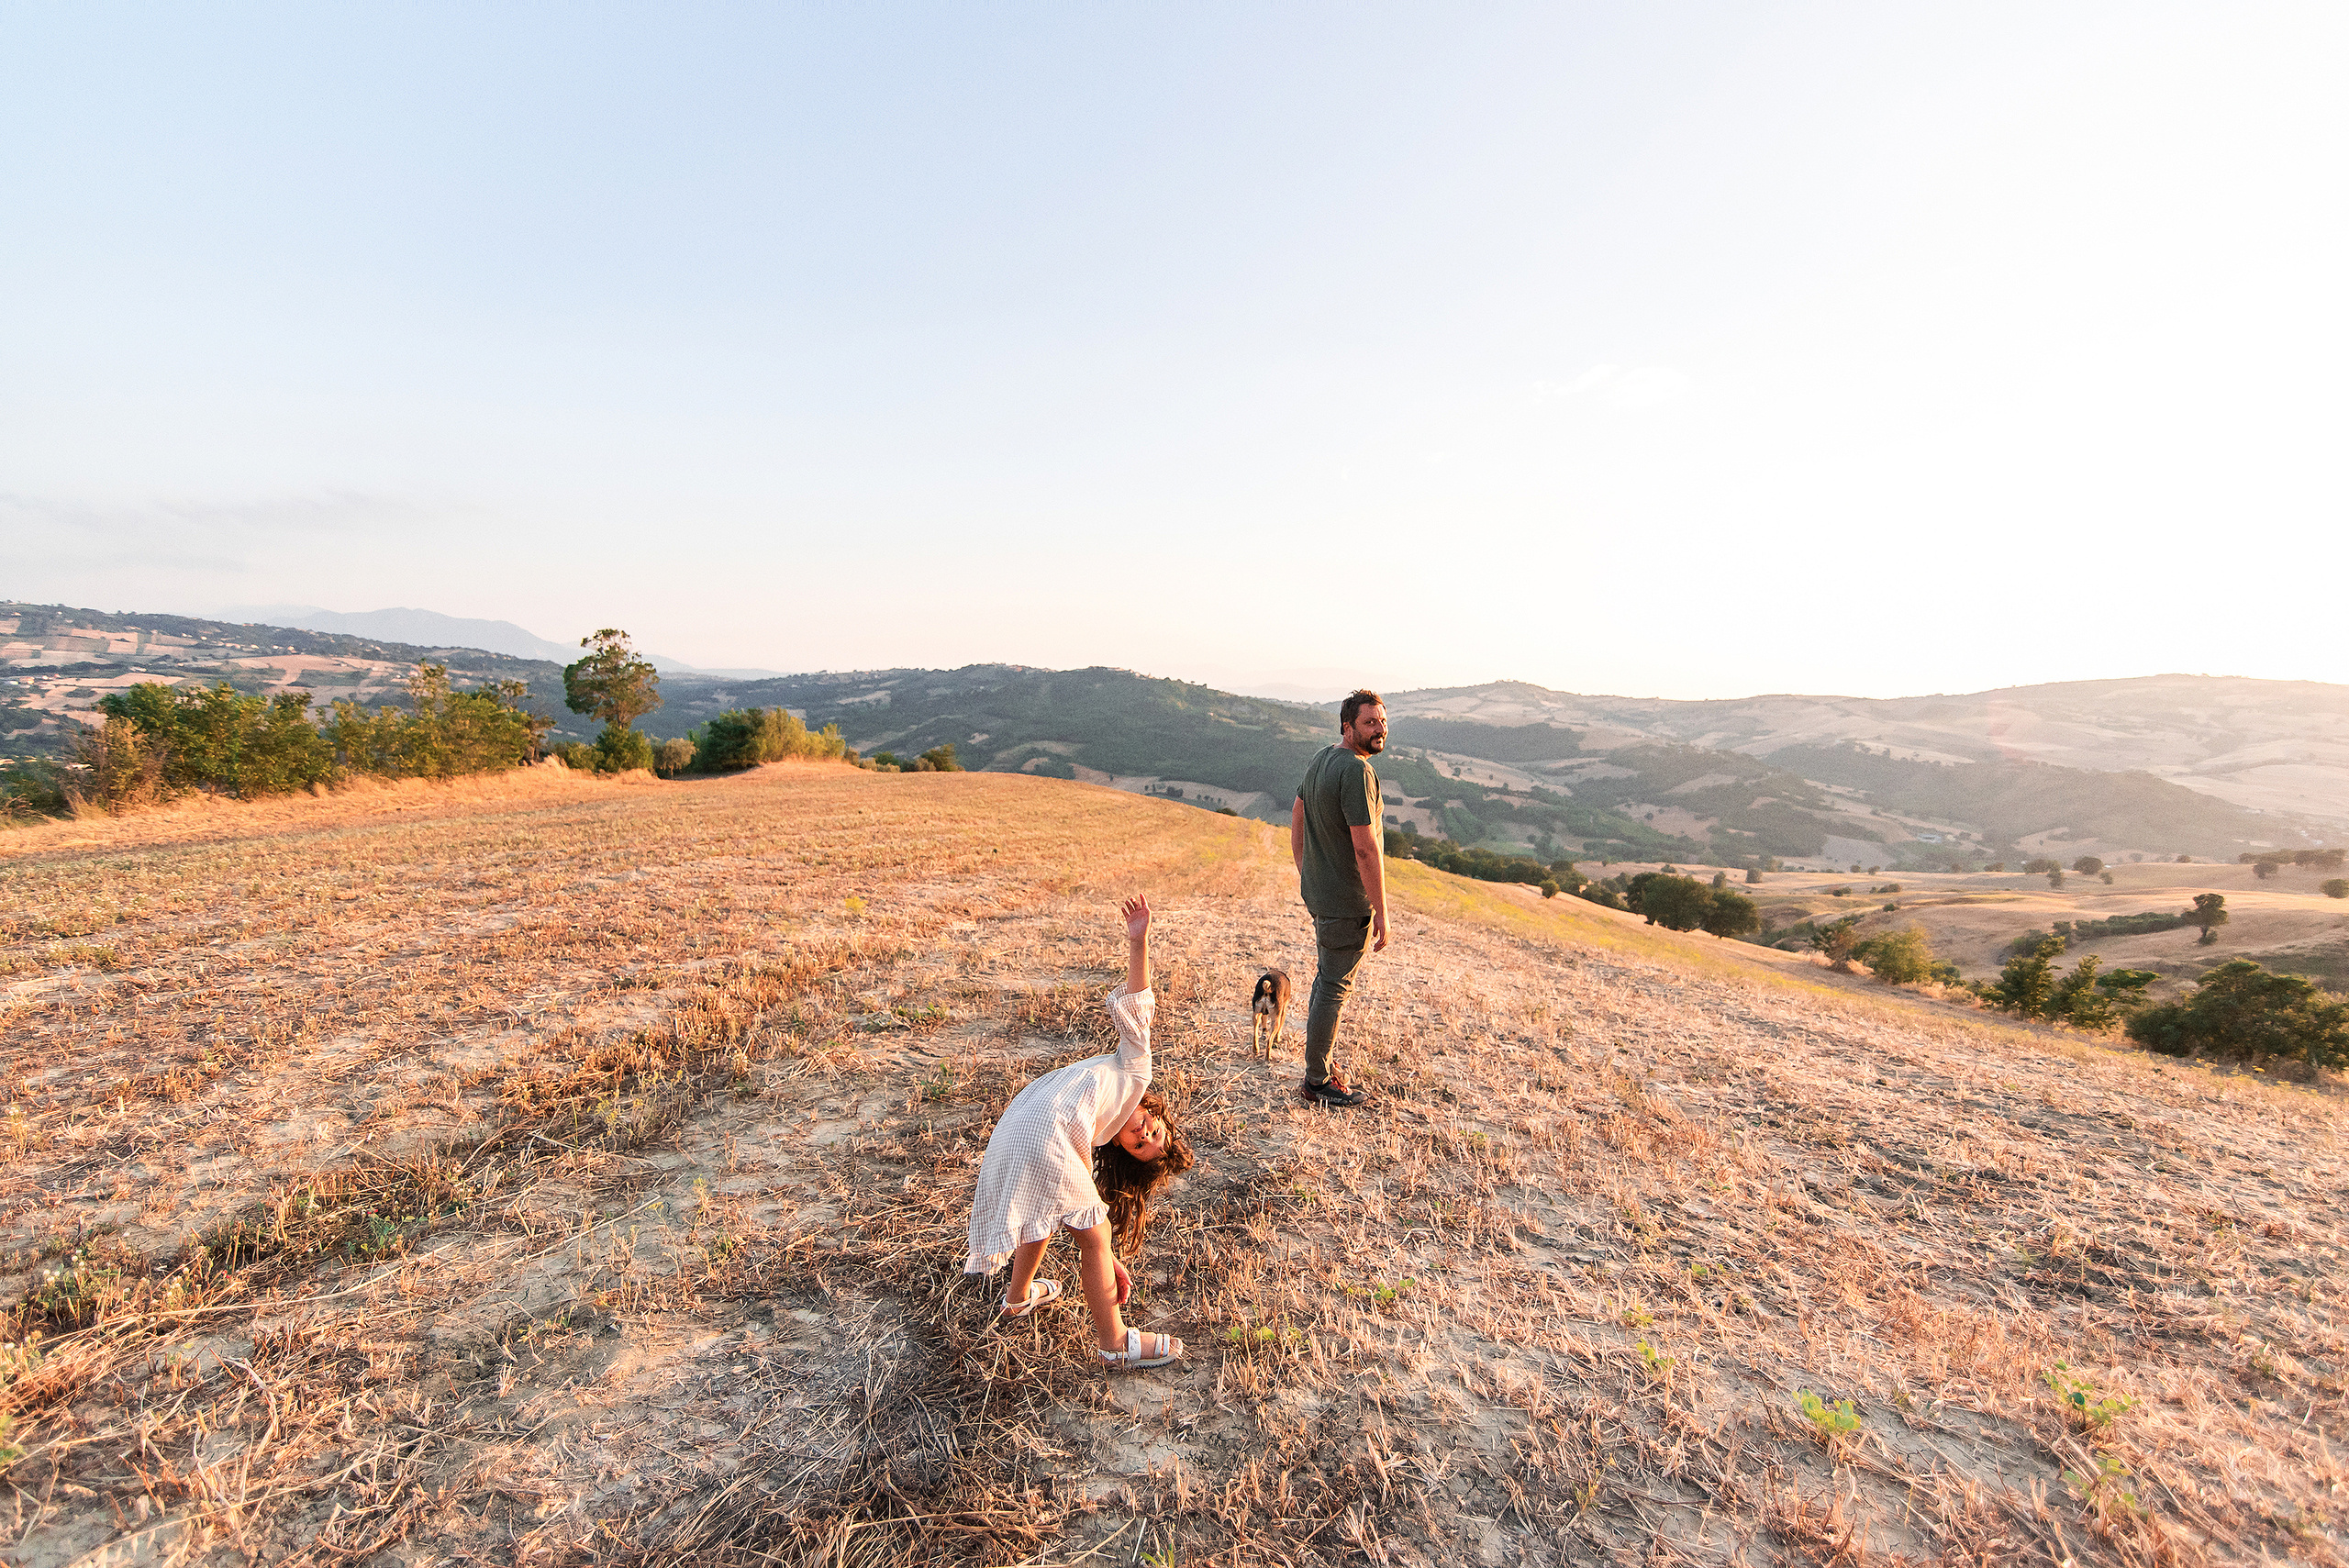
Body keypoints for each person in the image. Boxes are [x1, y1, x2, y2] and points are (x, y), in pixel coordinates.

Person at [963, 893, 1196, 1369]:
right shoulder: (1136, 1072)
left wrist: (1105, 1256)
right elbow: (1136, 1007)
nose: (1146, 1134)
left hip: (1019, 1124)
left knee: (1053, 1216)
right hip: (1036, 1124)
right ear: (1155, 1111)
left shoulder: (1094, 1135)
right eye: (1154, 1130)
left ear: (1121, 1149)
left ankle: (1017, 1297)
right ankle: (1113, 1343)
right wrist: (1139, 942)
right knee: (1095, 1232)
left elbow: (1074, 1205)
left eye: (1141, 1144)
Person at [1289, 689, 1389, 1107]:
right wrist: (1382, 911)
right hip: (1346, 904)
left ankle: (1320, 1066)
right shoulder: (1356, 771)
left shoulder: (1320, 758)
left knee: (1326, 979)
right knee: (1333, 986)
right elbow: (1366, 848)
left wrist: (1307, 870)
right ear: (1348, 728)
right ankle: (1317, 1081)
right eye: (1370, 722)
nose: (1380, 728)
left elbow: (1297, 813)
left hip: (1322, 895)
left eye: (1383, 721)